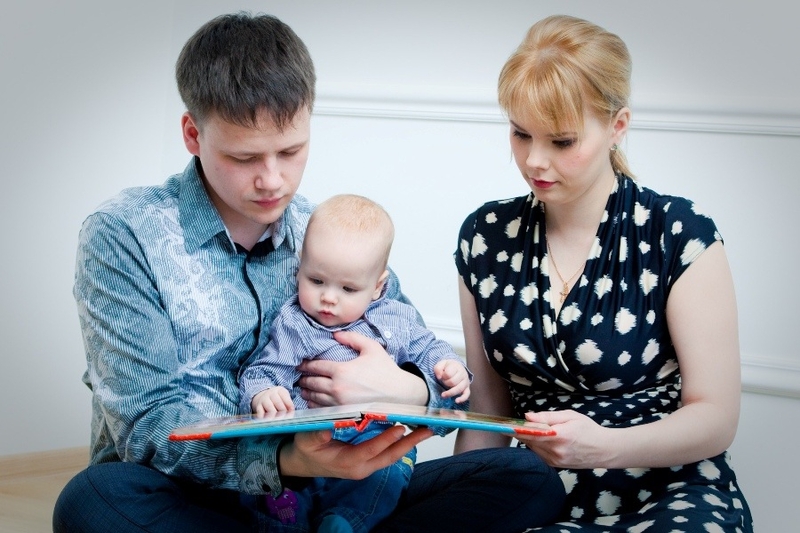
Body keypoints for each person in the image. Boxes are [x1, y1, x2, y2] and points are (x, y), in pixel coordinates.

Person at [53, 11, 565, 533]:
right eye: (245, 158)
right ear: (192, 133)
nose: (272, 180)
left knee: (526, 478)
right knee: (92, 500)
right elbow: (146, 428)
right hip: (199, 496)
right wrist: (286, 461)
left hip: (342, 483)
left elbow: (424, 358)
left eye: (291, 151)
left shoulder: (325, 233)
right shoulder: (123, 234)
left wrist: (407, 389)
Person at [453, 14, 754, 531]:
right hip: (535, 496)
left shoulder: (678, 234)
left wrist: (603, 447)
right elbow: (487, 417)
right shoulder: (485, 236)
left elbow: (716, 418)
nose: (534, 161)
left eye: (561, 141)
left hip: (669, 494)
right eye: (521, 134)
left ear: (618, 126)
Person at [239, 193, 471, 532]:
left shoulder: (397, 318)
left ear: (378, 287)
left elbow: (429, 350)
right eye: (316, 280)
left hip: (372, 438)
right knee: (269, 481)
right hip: (308, 440)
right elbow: (264, 370)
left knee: (392, 469)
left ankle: (345, 521)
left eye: (348, 289)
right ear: (299, 269)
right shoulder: (295, 322)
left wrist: (449, 366)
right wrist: (264, 393)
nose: (328, 298)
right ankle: (287, 517)